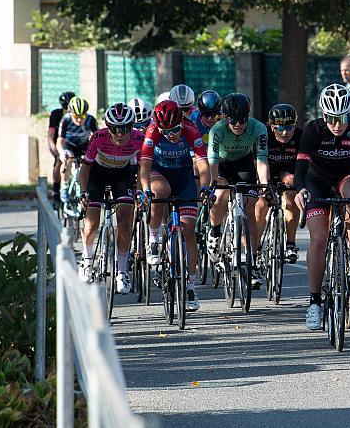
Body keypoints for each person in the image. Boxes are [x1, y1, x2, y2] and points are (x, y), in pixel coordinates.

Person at [294, 84, 350, 331]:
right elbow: (301, 168)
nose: (338, 124)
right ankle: (314, 302)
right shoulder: (313, 130)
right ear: (323, 115)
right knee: (318, 239)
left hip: (346, 177)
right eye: (332, 119)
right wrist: (300, 189)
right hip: (316, 181)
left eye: (343, 118)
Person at [139, 100, 212, 311]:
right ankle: (154, 237)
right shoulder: (152, 131)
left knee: (189, 230)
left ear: (182, 122)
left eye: (175, 130)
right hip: (159, 173)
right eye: (166, 131)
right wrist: (145, 190)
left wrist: (206, 187)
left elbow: (202, 163)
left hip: (184, 177)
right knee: (159, 191)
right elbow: (144, 167)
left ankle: (190, 286)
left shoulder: (190, 129)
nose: (171, 135)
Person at [206, 93, 271, 288]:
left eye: (242, 119)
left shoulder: (258, 128)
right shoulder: (217, 130)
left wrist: (265, 185)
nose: (238, 124)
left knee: (250, 209)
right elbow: (213, 160)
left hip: (244, 166)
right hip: (222, 166)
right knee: (220, 196)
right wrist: (212, 183)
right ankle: (215, 231)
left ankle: (251, 261)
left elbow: (261, 160)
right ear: (225, 118)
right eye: (232, 120)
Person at [78, 103, 144, 292]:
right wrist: (83, 192)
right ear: (108, 127)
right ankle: (87, 260)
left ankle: (122, 272)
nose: (120, 134)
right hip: (97, 176)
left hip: (123, 176)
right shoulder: (98, 137)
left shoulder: (139, 139)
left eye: (124, 129)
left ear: (132, 127)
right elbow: (85, 169)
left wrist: (139, 191)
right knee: (91, 223)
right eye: (115, 129)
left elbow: (142, 170)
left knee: (125, 220)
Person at [256, 104, 303, 263]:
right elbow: (256, 162)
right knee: (262, 203)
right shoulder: (263, 135)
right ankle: (256, 246)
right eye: (279, 128)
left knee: (291, 194)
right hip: (265, 171)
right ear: (271, 125)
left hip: (287, 173)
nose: (284, 132)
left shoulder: (300, 136)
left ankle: (290, 244)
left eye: (289, 127)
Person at [57, 96, 98, 207]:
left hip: (84, 145)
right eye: (76, 116)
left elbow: (97, 138)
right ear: (71, 113)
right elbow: (60, 140)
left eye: (82, 116)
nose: (79, 120)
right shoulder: (66, 119)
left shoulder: (90, 120)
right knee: (68, 158)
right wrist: (62, 153)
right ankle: (64, 187)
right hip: (70, 145)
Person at [49, 91, 75, 204]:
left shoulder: (76, 115)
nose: (67, 109)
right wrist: (53, 146)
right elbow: (51, 133)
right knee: (59, 161)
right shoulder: (56, 114)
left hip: (73, 142)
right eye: (65, 106)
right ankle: (56, 190)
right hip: (59, 141)